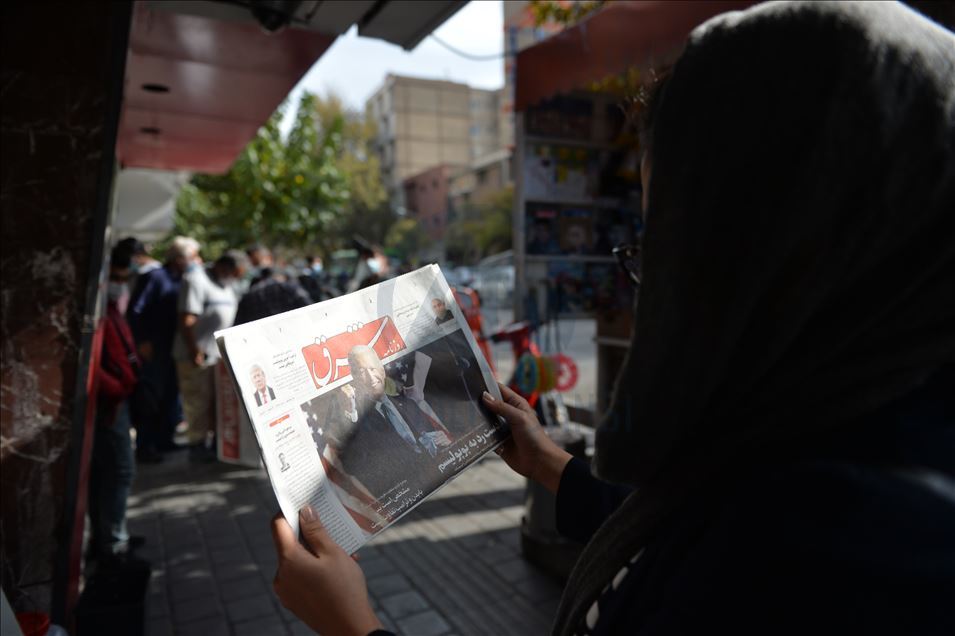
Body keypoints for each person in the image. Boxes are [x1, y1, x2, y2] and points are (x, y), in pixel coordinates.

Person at [268, 3, 955, 635]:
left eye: (670, 246)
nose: (653, 287)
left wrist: (355, 628)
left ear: (771, 251)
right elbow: (680, 517)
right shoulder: (828, 423)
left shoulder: (846, 542)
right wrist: (552, 466)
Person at [87, 245, 144, 566]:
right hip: (109, 403)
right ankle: (113, 544)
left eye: (125, 278)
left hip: (117, 399)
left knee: (108, 471)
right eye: (116, 278)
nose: (121, 284)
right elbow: (90, 365)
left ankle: (108, 536)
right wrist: (118, 386)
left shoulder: (109, 308)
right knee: (120, 469)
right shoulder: (95, 313)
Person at [127, 236, 200, 462]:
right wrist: (142, 340)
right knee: (151, 396)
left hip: (173, 348)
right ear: (179, 258)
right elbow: (135, 310)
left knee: (170, 395)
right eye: (192, 256)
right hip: (154, 347)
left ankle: (163, 440)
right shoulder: (155, 277)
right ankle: (145, 446)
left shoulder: (184, 279)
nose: (196, 261)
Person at [173, 250, 247, 461]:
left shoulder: (226, 285)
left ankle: (215, 445)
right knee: (197, 403)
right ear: (224, 267)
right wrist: (194, 350)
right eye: (236, 274)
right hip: (196, 356)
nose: (236, 279)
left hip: (217, 357)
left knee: (216, 403)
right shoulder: (196, 280)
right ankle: (196, 446)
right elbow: (187, 319)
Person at [233, 266, 312, 326]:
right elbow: (308, 306)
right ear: (280, 275)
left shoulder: (249, 295)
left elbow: (238, 323)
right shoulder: (288, 287)